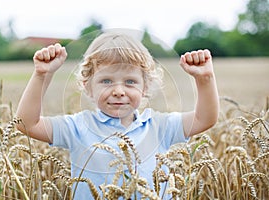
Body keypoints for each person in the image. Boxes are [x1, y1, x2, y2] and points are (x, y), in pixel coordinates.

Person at [16, 31, 219, 199]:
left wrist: (205, 79)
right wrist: (42, 75)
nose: (119, 91)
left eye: (130, 81)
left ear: (145, 86)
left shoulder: (159, 126)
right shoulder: (77, 127)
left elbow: (205, 119)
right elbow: (26, 124)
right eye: (106, 81)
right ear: (87, 87)